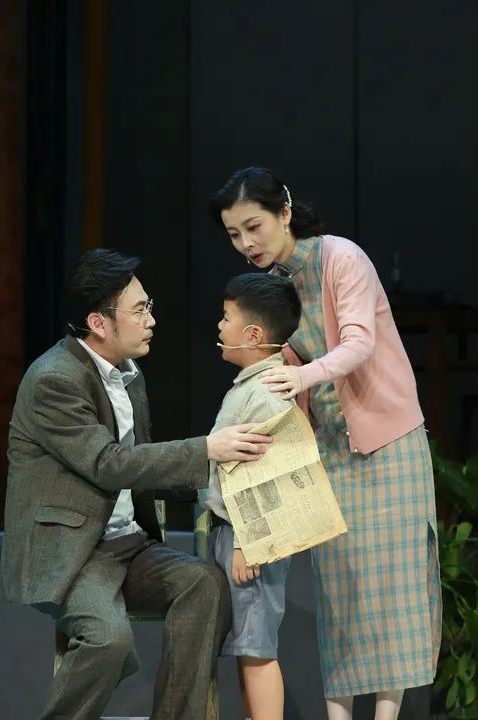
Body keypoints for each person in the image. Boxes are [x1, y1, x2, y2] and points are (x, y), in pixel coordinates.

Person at [1, 248, 273, 720]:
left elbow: (141, 464)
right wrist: (207, 449)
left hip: (127, 545)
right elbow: (108, 464)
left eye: (149, 307)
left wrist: (222, 480)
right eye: (140, 310)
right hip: (74, 552)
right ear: (99, 323)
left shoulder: (128, 374)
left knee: (204, 586)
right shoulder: (54, 380)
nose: (151, 320)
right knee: (108, 639)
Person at [209, 168, 441, 720]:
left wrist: (301, 376)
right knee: (341, 592)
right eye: (234, 234)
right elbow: (275, 357)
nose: (246, 243)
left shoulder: (341, 258)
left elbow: (359, 343)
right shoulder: (276, 284)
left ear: (284, 213)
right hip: (329, 449)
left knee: (392, 589)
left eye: (253, 227)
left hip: (388, 441)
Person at [200, 272, 303, 720]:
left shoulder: (266, 393)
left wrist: (248, 540)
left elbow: (266, 476)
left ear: (254, 334)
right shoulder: (252, 385)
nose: (220, 327)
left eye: (227, 318)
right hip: (235, 534)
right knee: (247, 648)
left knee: (257, 649)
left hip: (251, 539)